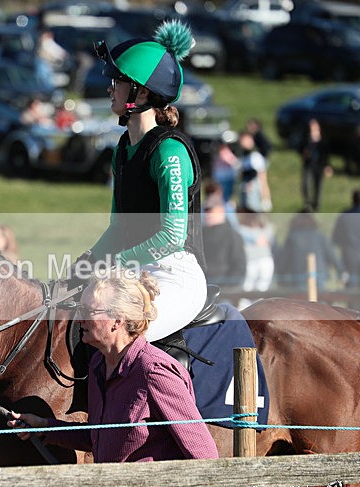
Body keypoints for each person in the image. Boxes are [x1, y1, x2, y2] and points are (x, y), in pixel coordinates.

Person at [9, 273, 227, 487]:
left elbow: (204, 454)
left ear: (118, 321)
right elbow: (100, 437)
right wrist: (44, 427)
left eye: (89, 311)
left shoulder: (154, 371)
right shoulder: (98, 366)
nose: (80, 319)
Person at [80, 21, 207, 344]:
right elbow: (118, 229)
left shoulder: (169, 151)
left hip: (174, 275)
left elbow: (172, 236)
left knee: (120, 332)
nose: (110, 89)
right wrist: (87, 262)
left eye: (118, 82)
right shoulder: (122, 149)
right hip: (133, 271)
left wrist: (114, 262)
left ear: (143, 92)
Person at [277, 209, 346, 292]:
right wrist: (341, 271)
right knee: (319, 299)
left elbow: (284, 260)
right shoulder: (320, 236)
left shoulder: (292, 238)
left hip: (298, 276)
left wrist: (280, 276)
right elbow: (332, 256)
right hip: (319, 275)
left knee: (299, 300)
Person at [202, 193, 246, 292]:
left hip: (225, 290)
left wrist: (227, 289)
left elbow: (239, 266)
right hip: (203, 288)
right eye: (205, 210)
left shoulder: (232, 235)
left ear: (221, 211)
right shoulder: (200, 234)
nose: (207, 214)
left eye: (211, 210)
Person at [299, 119, 331, 211]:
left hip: (319, 165)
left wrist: (327, 166)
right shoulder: (306, 140)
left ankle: (316, 205)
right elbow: (301, 150)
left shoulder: (323, 141)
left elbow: (326, 155)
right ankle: (308, 203)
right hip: (308, 165)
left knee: (318, 186)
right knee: (305, 184)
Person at [237, 131, 271, 213]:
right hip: (244, 192)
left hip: (255, 193)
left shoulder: (256, 157)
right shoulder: (241, 158)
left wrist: (266, 198)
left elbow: (263, 179)